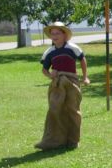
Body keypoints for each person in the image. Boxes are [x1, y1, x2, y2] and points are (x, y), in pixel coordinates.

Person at [35, 22, 90, 150]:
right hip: (57, 83)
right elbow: (44, 70)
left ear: (64, 34)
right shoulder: (49, 52)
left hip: (72, 81)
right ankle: (54, 140)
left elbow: (82, 60)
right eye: (52, 34)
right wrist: (50, 75)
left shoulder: (72, 48)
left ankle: (73, 141)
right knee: (55, 109)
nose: (54, 36)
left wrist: (85, 76)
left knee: (73, 110)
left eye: (57, 33)